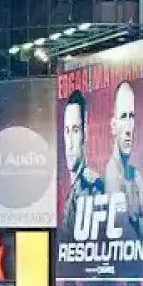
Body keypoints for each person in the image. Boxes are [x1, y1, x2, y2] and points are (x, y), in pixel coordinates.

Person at [103, 80, 143, 243]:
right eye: (123, 117)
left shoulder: (135, 176)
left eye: (131, 116)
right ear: (113, 125)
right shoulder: (112, 175)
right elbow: (124, 236)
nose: (128, 128)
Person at [60, 88, 104, 239]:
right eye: (67, 131)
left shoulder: (94, 188)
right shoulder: (72, 193)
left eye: (75, 130)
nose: (70, 142)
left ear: (85, 134)